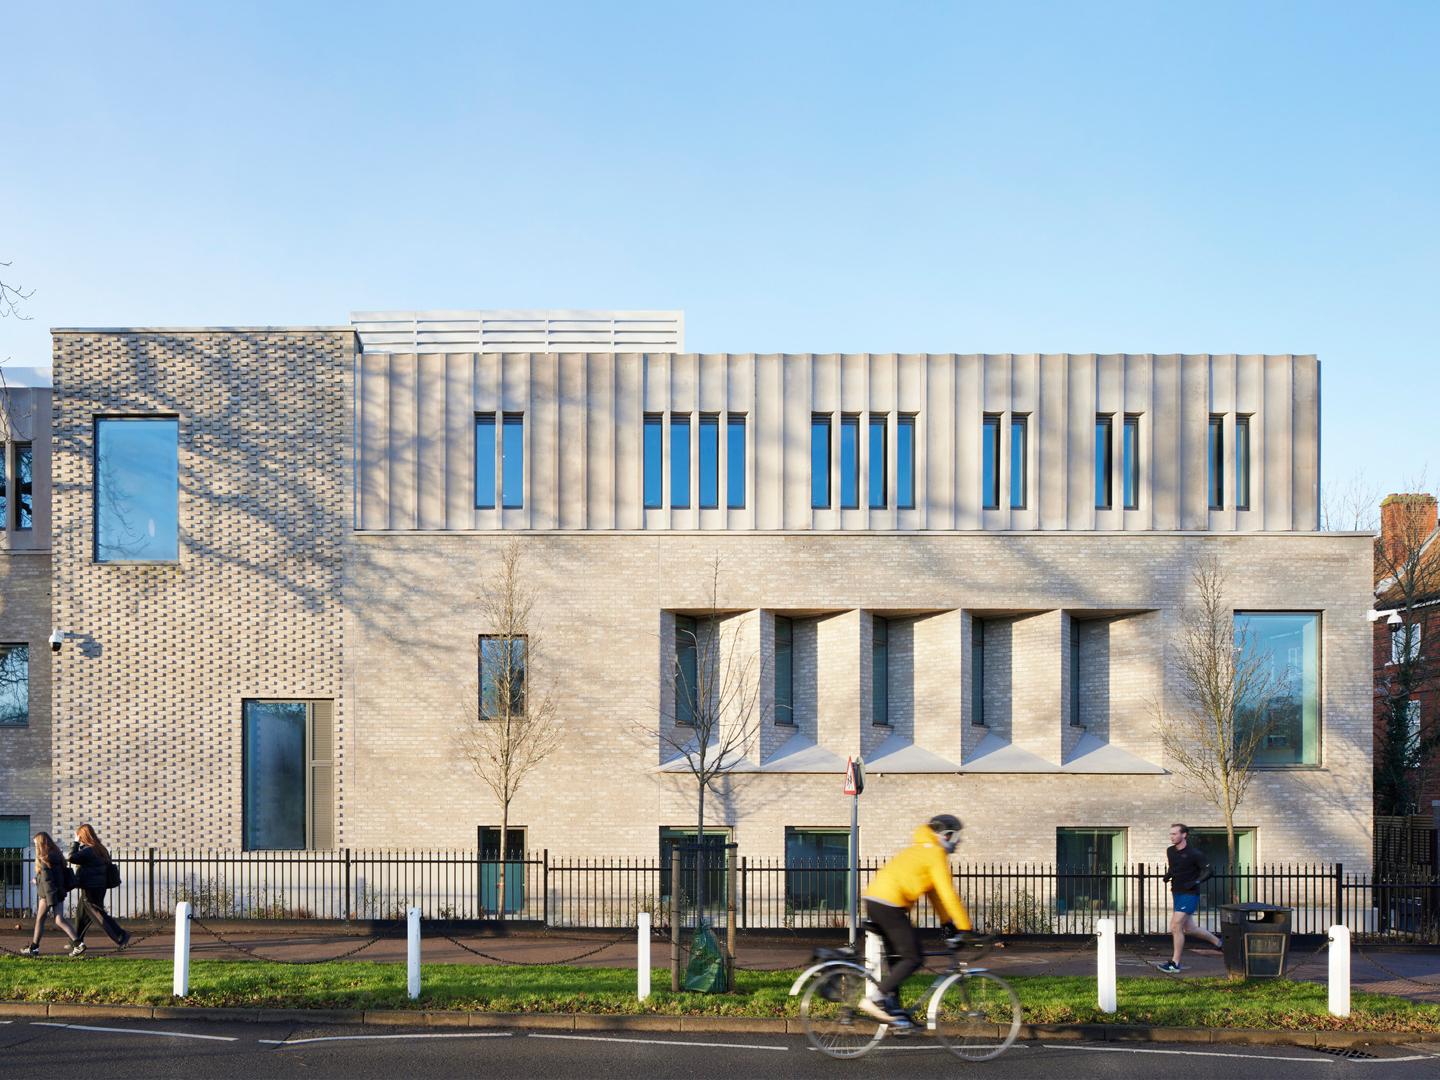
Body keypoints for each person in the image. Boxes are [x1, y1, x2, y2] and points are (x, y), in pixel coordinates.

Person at [858, 814, 971, 1026]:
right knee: (914, 957)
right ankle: (875, 999)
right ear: (948, 836)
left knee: (898, 958)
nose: (959, 841)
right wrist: (966, 928)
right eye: (957, 836)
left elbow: (935, 894)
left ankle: (895, 1012)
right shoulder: (935, 853)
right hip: (890, 904)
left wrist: (947, 923)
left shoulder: (921, 850)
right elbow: (948, 894)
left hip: (876, 901)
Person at [1158, 822, 1220, 972]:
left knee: (1175, 926)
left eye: (1175, 834)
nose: (1172, 837)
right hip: (1177, 892)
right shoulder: (1170, 851)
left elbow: (1209, 872)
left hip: (1190, 894)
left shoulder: (1194, 853)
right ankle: (1219, 943)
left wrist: (1195, 882)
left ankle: (1175, 963)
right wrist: (1168, 875)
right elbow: (1174, 867)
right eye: (1171, 834)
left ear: (1184, 835)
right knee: (1190, 929)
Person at [68, 823, 131, 950]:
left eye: (80, 836)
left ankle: (121, 936)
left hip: (90, 887)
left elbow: (71, 858)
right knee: (81, 915)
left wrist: (75, 843)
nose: (79, 839)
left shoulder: (88, 850)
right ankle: (75, 942)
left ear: (83, 836)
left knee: (98, 915)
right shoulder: (100, 849)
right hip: (99, 886)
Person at [20, 832, 82, 956]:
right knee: (59, 920)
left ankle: (34, 948)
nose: (35, 845)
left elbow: (48, 880)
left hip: (48, 895)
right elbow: (54, 876)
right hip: (59, 892)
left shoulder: (44, 858)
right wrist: (37, 879)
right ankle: (79, 944)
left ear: (41, 843)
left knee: (40, 919)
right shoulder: (57, 855)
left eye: (36, 843)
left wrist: (50, 899)